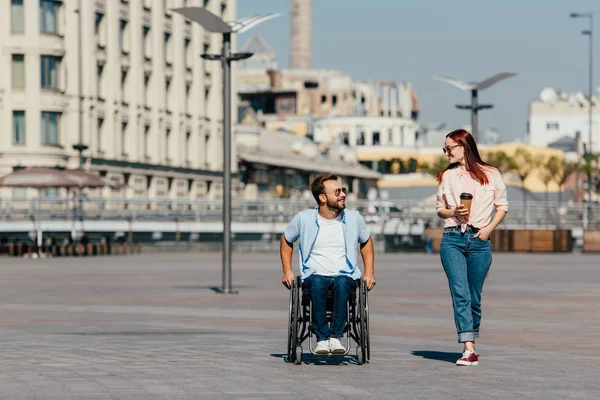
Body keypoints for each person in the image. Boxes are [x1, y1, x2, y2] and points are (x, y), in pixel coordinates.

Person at [280, 173, 376, 355]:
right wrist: (287, 271)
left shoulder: (354, 218)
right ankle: (322, 339)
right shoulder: (304, 218)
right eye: (337, 191)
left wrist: (369, 272)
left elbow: (366, 241)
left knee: (342, 282)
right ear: (322, 198)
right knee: (317, 282)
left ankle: (335, 338)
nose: (343, 194)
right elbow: (286, 239)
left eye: (343, 190)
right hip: (314, 275)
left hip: (345, 275)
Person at [435, 129, 508, 366]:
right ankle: (468, 347)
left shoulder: (491, 173)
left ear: (463, 146)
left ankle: (471, 340)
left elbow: (502, 206)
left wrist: (488, 229)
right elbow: (440, 209)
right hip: (452, 238)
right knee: (461, 294)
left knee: (474, 297)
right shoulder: (448, 176)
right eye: (445, 148)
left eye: (449, 148)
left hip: (480, 240)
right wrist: (453, 211)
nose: (446, 152)